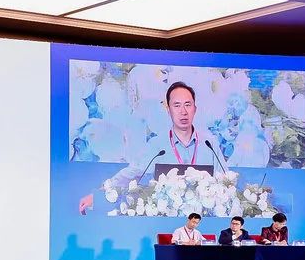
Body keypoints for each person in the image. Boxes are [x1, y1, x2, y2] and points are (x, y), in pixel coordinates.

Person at [80, 81, 209, 214]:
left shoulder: (209, 144)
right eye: (177, 105)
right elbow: (131, 173)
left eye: (188, 105)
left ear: (195, 109)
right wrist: (98, 195)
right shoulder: (157, 145)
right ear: (169, 110)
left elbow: (223, 180)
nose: (183, 111)